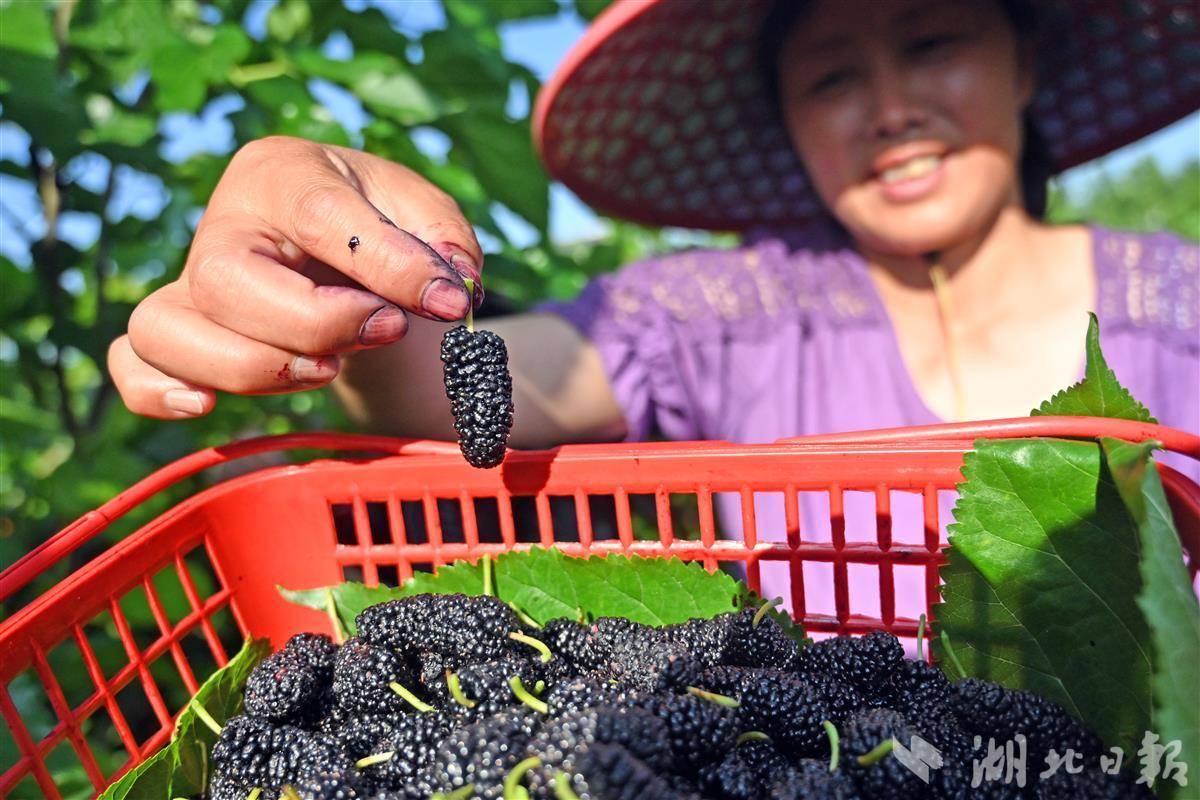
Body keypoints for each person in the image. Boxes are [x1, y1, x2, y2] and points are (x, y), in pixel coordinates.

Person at [108, 0, 1199, 626]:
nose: (891, 109)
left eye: (932, 43)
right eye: (831, 79)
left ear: (1026, 60)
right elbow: (469, 381)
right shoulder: (723, 312)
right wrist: (345, 282)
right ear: (784, 117)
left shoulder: (1181, 304)